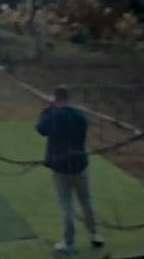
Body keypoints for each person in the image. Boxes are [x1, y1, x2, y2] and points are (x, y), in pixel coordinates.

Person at [36, 87, 104, 254]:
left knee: (67, 206)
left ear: (56, 99)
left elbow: (40, 129)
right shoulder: (80, 116)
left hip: (61, 167)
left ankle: (69, 241)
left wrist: (47, 111)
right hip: (80, 164)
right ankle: (95, 234)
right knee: (87, 202)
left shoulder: (52, 116)